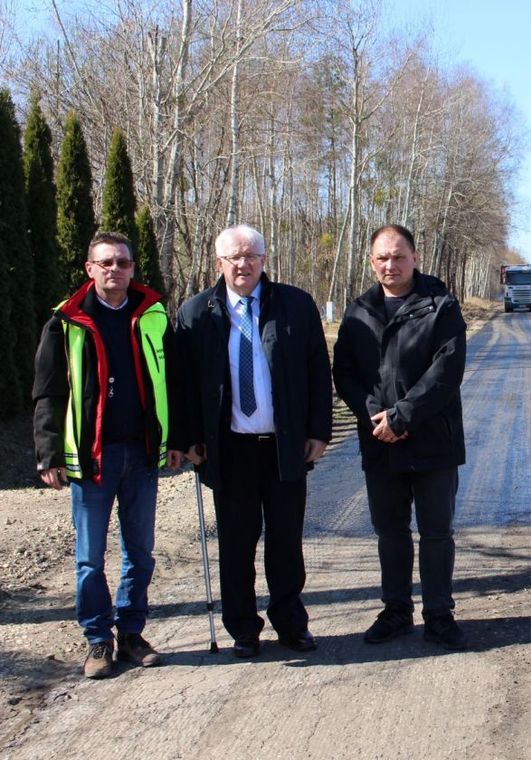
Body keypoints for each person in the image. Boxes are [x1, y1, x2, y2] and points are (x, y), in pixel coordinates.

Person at [173, 224, 331, 658]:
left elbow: (318, 370)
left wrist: (318, 431)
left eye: (251, 256)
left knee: (286, 543)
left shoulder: (295, 305)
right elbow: (182, 385)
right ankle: (243, 628)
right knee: (236, 545)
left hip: (284, 445)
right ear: (219, 263)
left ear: (264, 259)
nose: (243, 264)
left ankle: (291, 623)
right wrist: (189, 439)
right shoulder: (195, 313)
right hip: (228, 450)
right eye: (234, 257)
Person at [32, 230, 182, 679]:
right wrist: (48, 453)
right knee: (89, 559)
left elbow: (174, 383)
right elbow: (48, 392)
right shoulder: (66, 321)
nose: (115, 269)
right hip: (91, 459)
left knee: (141, 553)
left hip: (142, 454)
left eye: (122, 262)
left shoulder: (153, 316)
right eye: (106, 262)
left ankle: (132, 633)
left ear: (133, 268)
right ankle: (98, 639)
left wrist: (178, 440)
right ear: (90, 268)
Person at [333, 224, 469, 650]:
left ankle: (439, 615)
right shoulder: (358, 312)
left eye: (398, 256)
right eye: (382, 257)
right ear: (371, 262)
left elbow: (446, 373)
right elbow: (344, 373)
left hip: (433, 440)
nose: (390, 264)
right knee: (389, 532)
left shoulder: (441, 306)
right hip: (380, 440)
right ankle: (395, 611)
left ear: (415, 257)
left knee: (436, 532)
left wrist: (402, 416)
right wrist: (374, 414)